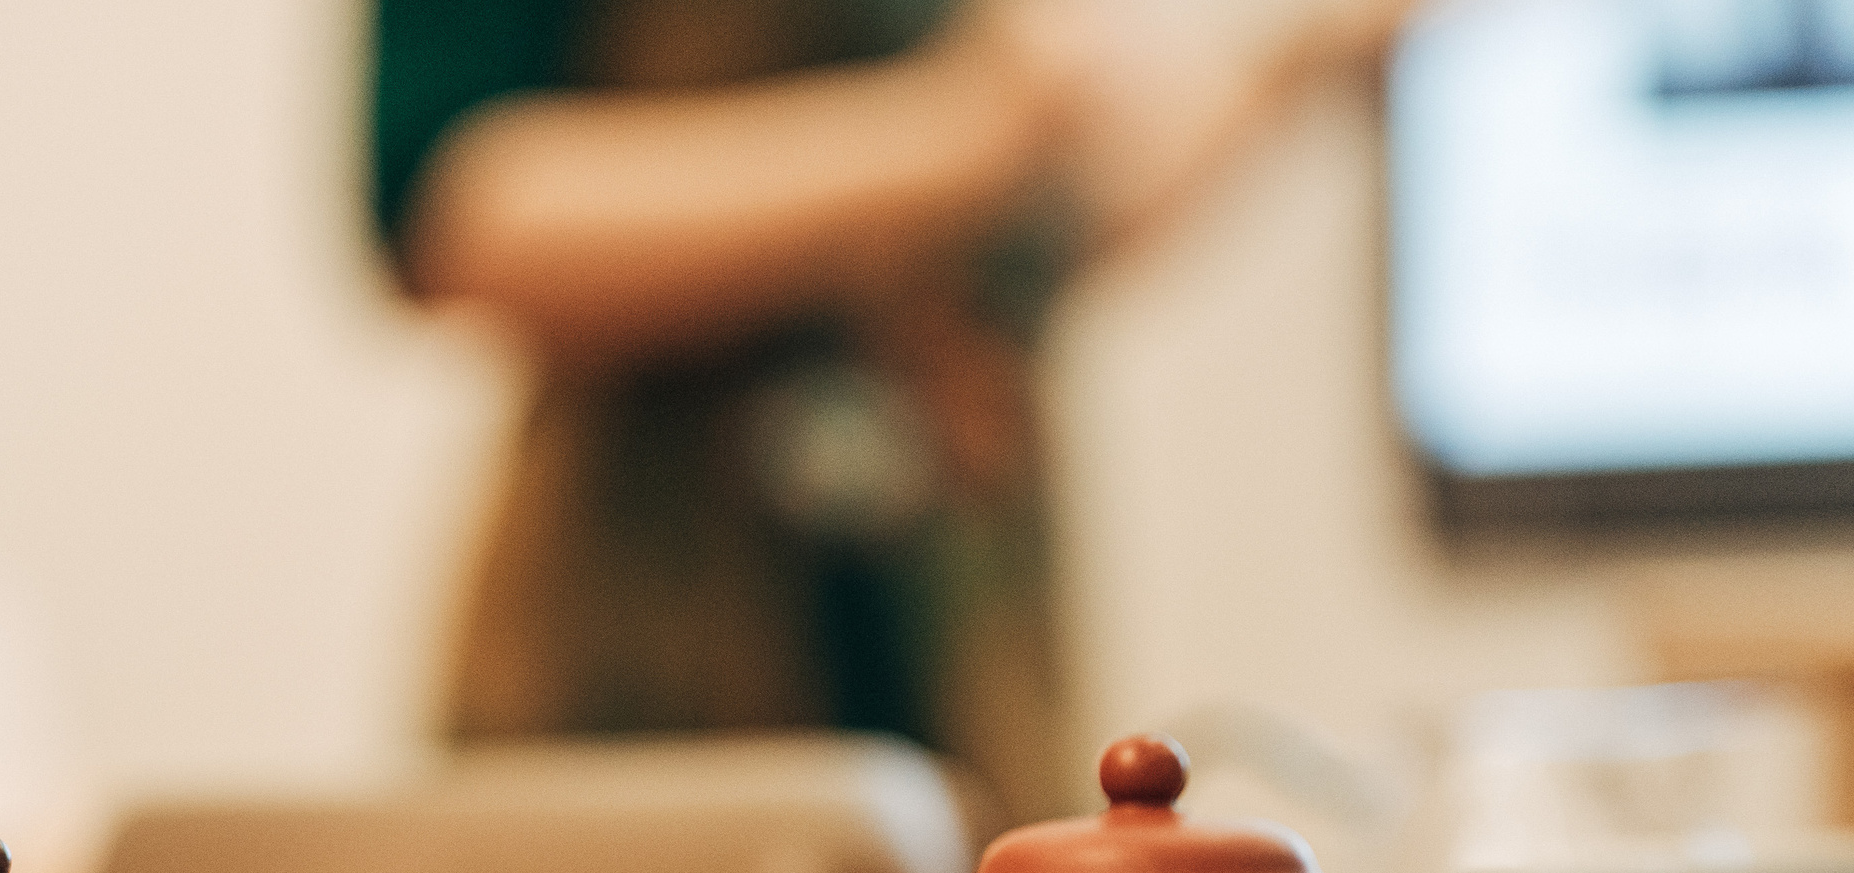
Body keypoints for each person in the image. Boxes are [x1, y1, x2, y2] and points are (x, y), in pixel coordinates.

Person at [375, 0, 1416, 825]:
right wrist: (959, 130)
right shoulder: (966, 121)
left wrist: (1300, 61)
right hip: (650, 667)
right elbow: (455, 202)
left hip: (963, 661)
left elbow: (1039, 227)